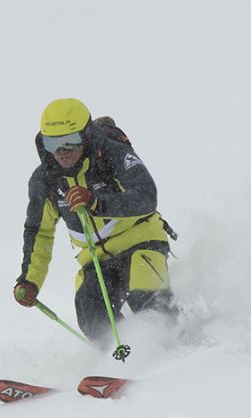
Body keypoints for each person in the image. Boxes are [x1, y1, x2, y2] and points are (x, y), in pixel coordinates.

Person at [13, 98, 177, 343]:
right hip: (97, 261)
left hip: (141, 244)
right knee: (91, 316)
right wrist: (30, 281)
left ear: (86, 135)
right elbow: (40, 232)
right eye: (52, 143)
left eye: (70, 141)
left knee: (147, 297)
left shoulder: (112, 154)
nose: (62, 151)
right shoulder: (44, 180)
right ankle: (124, 360)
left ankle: (176, 349)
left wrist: (98, 203)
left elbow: (146, 195)